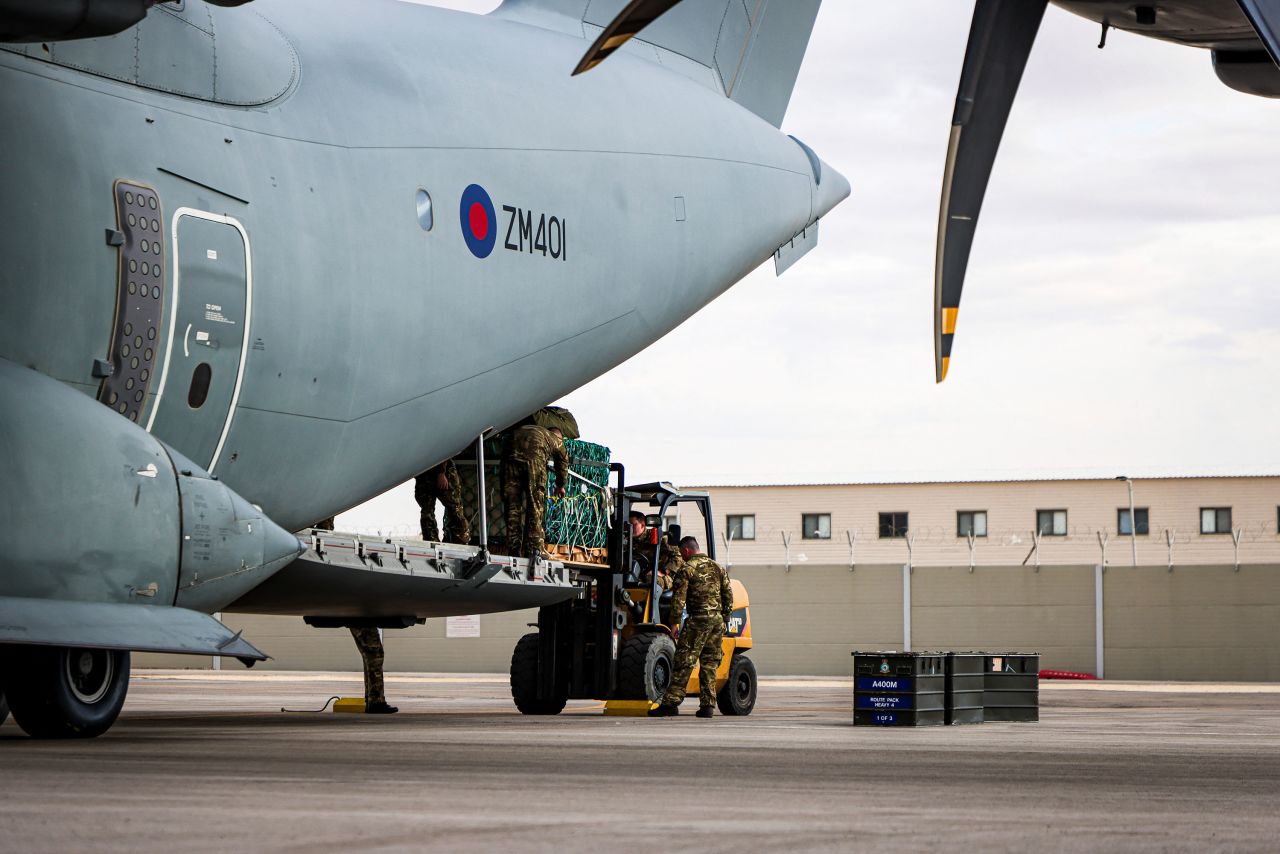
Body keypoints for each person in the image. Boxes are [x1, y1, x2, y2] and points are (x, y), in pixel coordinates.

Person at [649, 536, 733, 719]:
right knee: (710, 664)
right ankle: (708, 706)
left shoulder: (687, 569)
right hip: (717, 622)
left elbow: (678, 600)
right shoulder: (718, 567)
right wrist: (725, 619)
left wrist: (674, 623)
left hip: (698, 621)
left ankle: (671, 703)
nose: (681, 556)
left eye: (681, 553)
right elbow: (728, 595)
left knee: (683, 661)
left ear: (686, 551)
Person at [501, 424, 569, 560]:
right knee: (534, 505)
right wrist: (560, 485)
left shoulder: (529, 429)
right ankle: (534, 549)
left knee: (512, 506)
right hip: (533, 460)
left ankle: (513, 549)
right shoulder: (555, 439)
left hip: (509, 458)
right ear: (558, 436)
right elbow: (563, 462)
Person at [414, 459, 471, 544]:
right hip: (425, 473)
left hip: (442, 471)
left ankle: (461, 540)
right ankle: (432, 542)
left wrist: (441, 472)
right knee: (427, 511)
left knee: (454, 508)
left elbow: (444, 450)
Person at [348, 627, 398, 714]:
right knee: (375, 655)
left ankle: (372, 701)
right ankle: (376, 702)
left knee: (369, 655)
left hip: (358, 619)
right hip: (364, 620)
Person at [629, 510, 680, 591]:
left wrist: (663, 571)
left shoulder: (658, 537)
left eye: (633, 525)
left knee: (650, 579)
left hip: (661, 576)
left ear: (643, 525)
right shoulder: (626, 541)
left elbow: (678, 557)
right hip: (637, 575)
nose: (629, 528)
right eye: (628, 525)